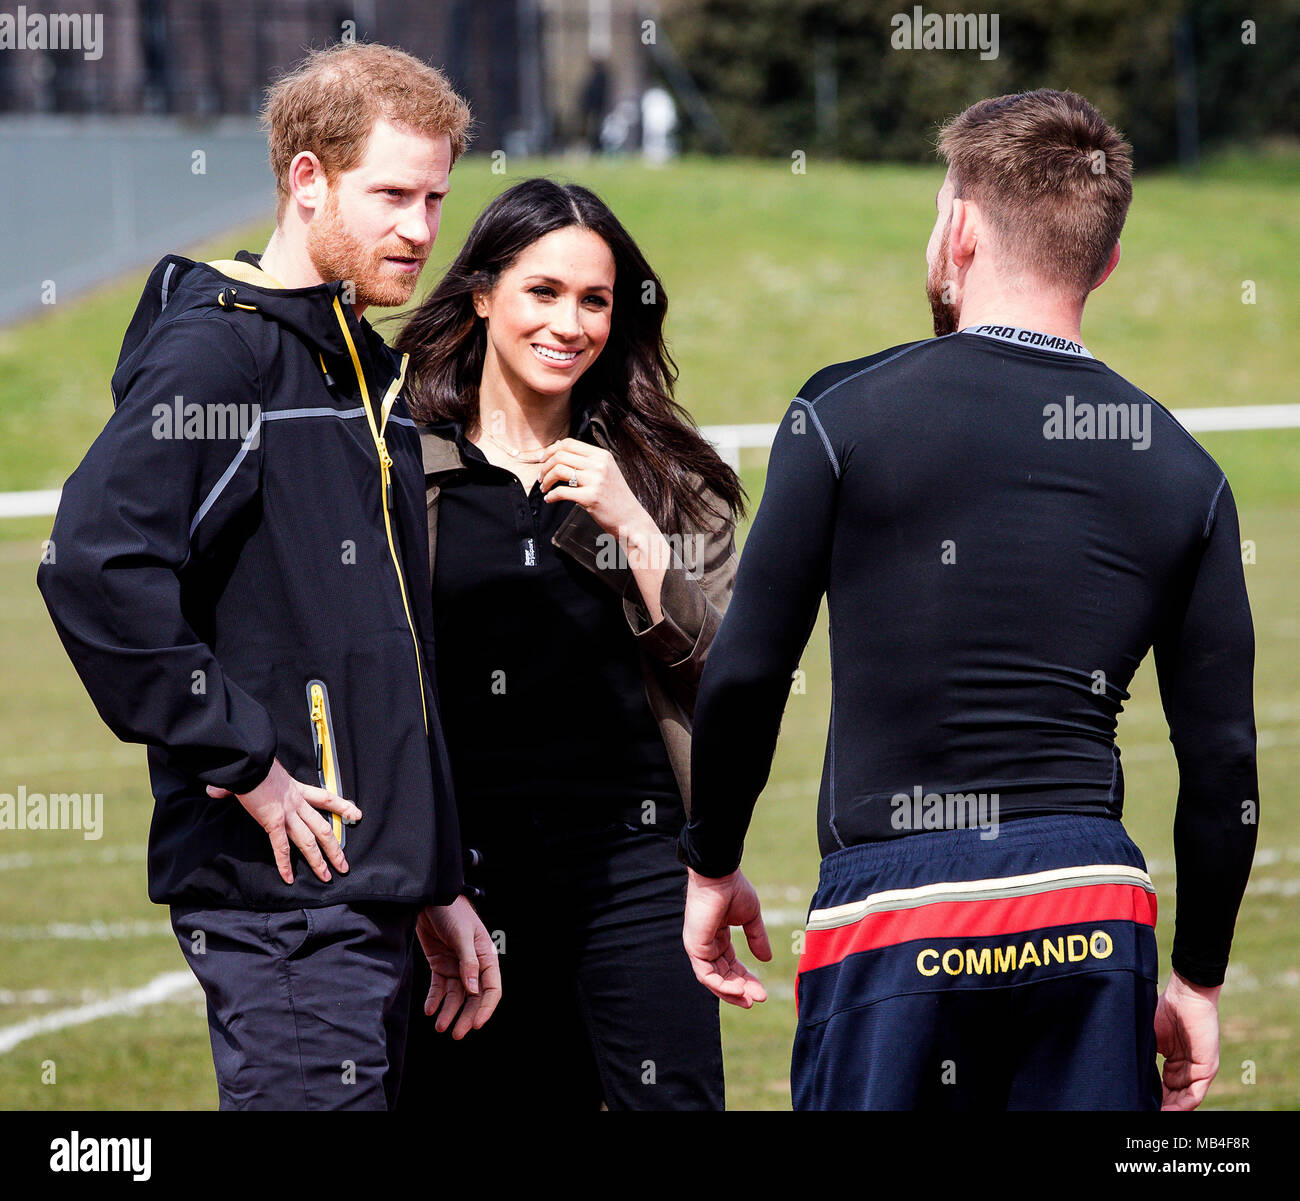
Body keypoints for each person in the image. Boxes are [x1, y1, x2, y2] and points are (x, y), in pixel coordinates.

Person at [680, 89, 1258, 1111]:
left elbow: (748, 667)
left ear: (958, 228)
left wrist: (711, 860)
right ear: (1105, 263)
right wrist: (1196, 978)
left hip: (897, 908)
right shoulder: (1184, 468)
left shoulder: (843, 410)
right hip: (1090, 903)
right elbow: (1221, 764)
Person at [36, 42, 499, 1110]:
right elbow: (94, 563)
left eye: (434, 198)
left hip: (364, 891)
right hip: (280, 900)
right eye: (390, 195)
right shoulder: (217, 358)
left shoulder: (354, 364)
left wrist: (428, 875)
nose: (421, 230)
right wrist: (243, 761)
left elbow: (372, 647)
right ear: (306, 179)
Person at [391, 178, 745, 1110]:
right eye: (543, 292)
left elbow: (732, 675)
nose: (571, 322)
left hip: (635, 868)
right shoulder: (397, 466)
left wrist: (632, 528)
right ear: (482, 294)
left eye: (595, 299)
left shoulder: (670, 475)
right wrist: (424, 878)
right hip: (458, 878)